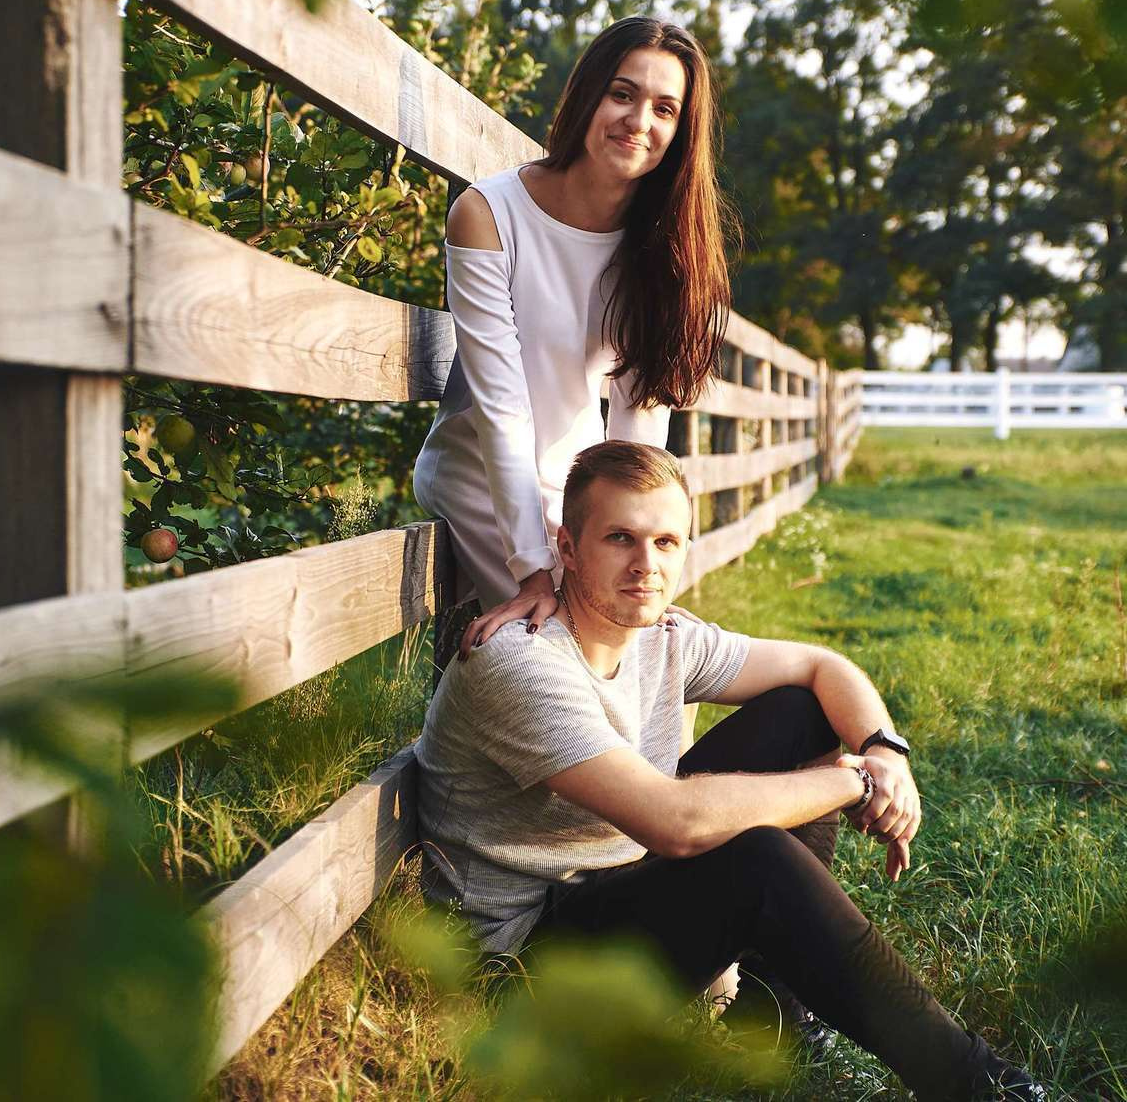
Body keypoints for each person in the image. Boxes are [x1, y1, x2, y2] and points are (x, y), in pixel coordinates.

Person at [414, 442, 1048, 1102]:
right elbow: (676, 823)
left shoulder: (664, 636)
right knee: (758, 860)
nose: (646, 565)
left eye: (665, 541)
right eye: (620, 538)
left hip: (609, 885)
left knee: (805, 711)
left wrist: (885, 749)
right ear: (568, 549)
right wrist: (854, 780)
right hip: (521, 976)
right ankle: (980, 1086)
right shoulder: (521, 664)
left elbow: (822, 666)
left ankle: (774, 1012)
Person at [411, 15, 735, 648]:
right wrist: (533, 570)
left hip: (585, 490)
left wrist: (642, 539)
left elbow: (643, 419)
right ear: (587, 94)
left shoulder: (667, 245)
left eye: (665, 108)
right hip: (481, 472)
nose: (639, 121)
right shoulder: (489, 214)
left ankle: (666, 753)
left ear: (681, 132)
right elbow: (500, 407)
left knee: (640, 636)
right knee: (564, 643)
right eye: (622, 93)